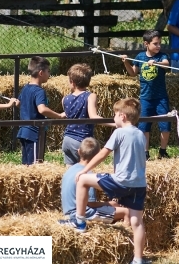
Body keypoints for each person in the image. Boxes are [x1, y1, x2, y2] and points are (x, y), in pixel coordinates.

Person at [67, 98, 148, 264]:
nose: (113, 118)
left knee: (82, 180)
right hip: (139, 185)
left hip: (121, 182)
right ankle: (138, 259)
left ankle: (80, 221)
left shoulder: (119, 133)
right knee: (137, 222)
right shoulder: (141, 134)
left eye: (115, 115)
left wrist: (85, 169)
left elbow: (103, 154)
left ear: (122, 116)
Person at [122, 30, 171, 160]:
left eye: (160, 43)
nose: (159, 46)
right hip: (145, 98)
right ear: (146, 44)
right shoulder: (140, 57)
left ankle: (163, 151)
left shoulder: (162, 56)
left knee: (165, 125)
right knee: (144, 126)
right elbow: (133, 73)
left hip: (161, 98)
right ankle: (145, 153)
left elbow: (166, 64)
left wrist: (156, 63)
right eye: (155, 44)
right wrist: (126, 62)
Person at [60, 137, 128, 225]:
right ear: (97, 156)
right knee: (127, 212)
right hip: (83, 214)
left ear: (79, 151)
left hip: (67, 212)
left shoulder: (70, 169)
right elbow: (90, 204)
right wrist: (108, 204)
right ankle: (125, 232)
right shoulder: (88, 176)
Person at [17, 56, 65, 165]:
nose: (49, 74)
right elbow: (42, 109)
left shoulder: (25, 88)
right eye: (48, 71)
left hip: (23, 131)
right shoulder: (39, 91)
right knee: (35, 165)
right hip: (34, 133)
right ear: (41, 73)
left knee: (26, 165)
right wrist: (59, 115)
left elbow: (19, 103)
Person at [62, 64, 103, 166]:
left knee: (70, 171)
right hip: (82, 141)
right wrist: (114, 123)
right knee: (85, 170)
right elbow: (93, 117)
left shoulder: (65, 99)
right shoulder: (90, 96)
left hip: (67, 139)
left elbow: (68, 114)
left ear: (72, 82)